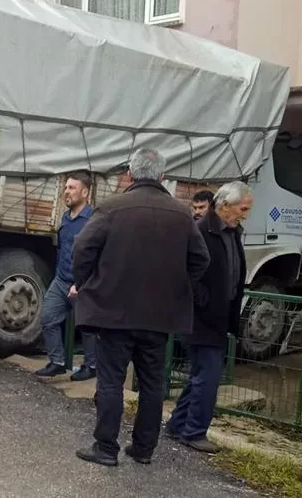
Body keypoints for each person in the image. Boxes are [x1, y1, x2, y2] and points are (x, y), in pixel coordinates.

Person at [71, 148, 210, 467]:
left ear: (130, 175)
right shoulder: (181, 214)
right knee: (151, 385)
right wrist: (175, 286)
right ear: (162, 177)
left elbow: (82, 249)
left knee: (110, 382)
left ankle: (106, 449)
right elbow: (201, 260)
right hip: (159, 318)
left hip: (113, 312)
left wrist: (88, 282)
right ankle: (144, 449)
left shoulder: (111, 208)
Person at [167, 181, 253, 453]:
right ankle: (194, 432)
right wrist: (201, 299)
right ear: (225, 205)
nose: (245, 214)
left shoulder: (231, 231)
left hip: (219, 315)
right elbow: (182, 270)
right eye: (243, 208)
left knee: (200, 375)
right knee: (209, 377)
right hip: (201, 317)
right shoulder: (202, 230)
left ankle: (177, 425)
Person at [35, 170, 98, 381]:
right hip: (61, 280)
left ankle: (92, 365)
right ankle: (58, 362)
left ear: (85, 192)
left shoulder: (92, 221)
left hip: (83, 284)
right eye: (65, 187)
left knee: (87, 326)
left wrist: (81, 284)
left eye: (71, 188)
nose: (66, 192)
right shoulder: (66, 217)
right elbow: (62, 248)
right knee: (48, 318)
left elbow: (97, 257)